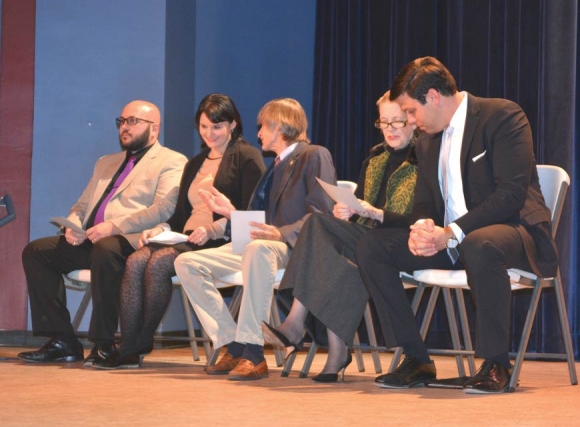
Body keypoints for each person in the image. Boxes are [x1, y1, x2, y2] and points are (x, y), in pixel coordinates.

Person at [355, 56, 558, 393]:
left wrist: (450, 232)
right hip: (453, 242)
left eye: (410, 111)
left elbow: (509, 194)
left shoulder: (502, 116)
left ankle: (496, 364)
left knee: (480, 243)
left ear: (433, 97)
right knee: (371, 247)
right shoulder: (427, 140)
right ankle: (416, 357)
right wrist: (423, 229)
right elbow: (424, 203)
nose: (409, 120)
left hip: (513, 233)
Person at [96, 94, 266, 369]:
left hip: (219, 240)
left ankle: (135, 346)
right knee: (137, 258)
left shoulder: (247, 156)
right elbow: (178, 217)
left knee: (159, 263)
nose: (210, 133)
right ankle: (129, 344)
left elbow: (251, 213)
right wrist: (158, 229)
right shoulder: (195, 163)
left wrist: (212, 229)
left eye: (217, 126)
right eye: (203, 126)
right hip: (184, 238)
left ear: (233, 125)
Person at [174, 98, 336, 381]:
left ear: (281, 126)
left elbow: (321, 214)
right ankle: (232, 342)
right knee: (187, 262)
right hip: (261, 246)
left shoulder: (314, 155)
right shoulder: (275, 166)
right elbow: (258, 223)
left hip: (294, 248)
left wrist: (281, 233)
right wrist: (231, 213)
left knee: (259, 249)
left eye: (263, 126)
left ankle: (254, 352)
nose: (258, 132)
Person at [262, 91, 418, 383]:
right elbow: (361, 207)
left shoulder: (425, 157)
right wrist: (349, 211)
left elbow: (423, 214)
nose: (389, 129)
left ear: (413, 119)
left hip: (404, 241)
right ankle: (317, 338)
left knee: (335, 256)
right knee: (318, 225)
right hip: (365, 238)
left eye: (396, 121)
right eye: (383, 123)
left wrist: (376, 214)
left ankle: (307, 331)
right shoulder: (375, 158)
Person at [19, 100, 188, 365]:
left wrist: (115, 226)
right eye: (122, 121)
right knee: (37, 252)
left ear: (154, 128)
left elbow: (164, 209)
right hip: (93, 239)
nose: (125, 127)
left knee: (106, 249)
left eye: (133, 121)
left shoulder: (172, 161)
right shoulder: (106, 162)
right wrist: (72, 226)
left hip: (132, 241)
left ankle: (104, 342)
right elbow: (83, 204)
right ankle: (63, 340)